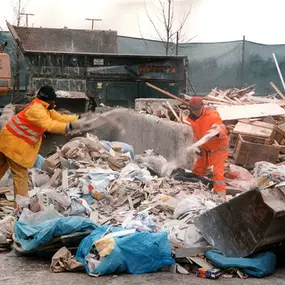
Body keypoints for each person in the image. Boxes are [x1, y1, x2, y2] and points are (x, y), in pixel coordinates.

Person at [0, 85, 82, 199]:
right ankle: (21, 207)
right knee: (21, 177)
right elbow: (49, 125)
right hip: (13, 145)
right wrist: (68, 127)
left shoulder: (43, 107)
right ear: (48, 100)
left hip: (7, 141)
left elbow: (58, 118)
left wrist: (77, 119)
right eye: (53, 100)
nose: (55, 103)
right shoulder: (37, 110)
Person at [185, 97, 229, 197]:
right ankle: (195, 195)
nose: (196, 112)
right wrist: (195, 147)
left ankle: (220, 198)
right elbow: (193, 136)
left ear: (202, 106)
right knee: (197, 171)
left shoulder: (212, 114)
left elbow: (219, 127)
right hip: (204, 149)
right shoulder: (189, 120)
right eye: (194, 110)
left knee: (218, 176)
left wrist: (215, 131)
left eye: (198, 109)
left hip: (218, 149)